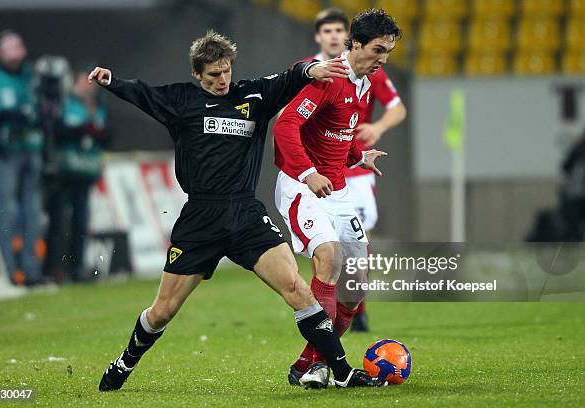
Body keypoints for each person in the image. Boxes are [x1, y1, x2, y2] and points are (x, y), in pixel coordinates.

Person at [89, 30, 387, 391]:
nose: (222, 80)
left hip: (246, 214)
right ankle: (125, 362)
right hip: (201, 218)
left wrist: (311, 71)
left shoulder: (252, 96)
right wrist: (111, 82)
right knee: (164, 310)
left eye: (226, 71)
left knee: (297, 288)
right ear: (197, 75)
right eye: (213, 75)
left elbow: (289, 77)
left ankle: (340, 371)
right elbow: (143, 94)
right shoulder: (181, 100)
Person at [273, 9, 400, 386]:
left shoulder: (362, 83)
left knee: (356, 285)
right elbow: (286, 124)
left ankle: (309, 364)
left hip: (337, 188)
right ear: (356, 43)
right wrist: (308, 173)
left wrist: (358, 156)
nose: (383, 59)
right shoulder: (329, 76)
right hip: (300, 185)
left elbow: (335, 135)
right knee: (328, 257)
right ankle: (328, 368)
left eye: (389, 52)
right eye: (378, 50)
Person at [293, 7, 407, 333]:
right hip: (315, 174)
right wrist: (302, 169)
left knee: (358, 250)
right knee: (328, 254)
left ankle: (356, 311)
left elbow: (397, 109)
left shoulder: (371, 73)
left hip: (354, 169)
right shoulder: (313, 72)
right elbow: (289, 121)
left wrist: (378, 129)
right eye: (327, 31)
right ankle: (321, 344)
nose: (333, 36)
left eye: (337, 30)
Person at [0, 30, 44, 285]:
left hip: (31, 149)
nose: (15, 61)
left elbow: (41, 110)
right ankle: (8, 270)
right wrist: (5, 119)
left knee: (33, 212)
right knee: (8, 211)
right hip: (3, 154)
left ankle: (31, 270)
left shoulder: (29, 75)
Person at [44, 66, 109, 282]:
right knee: (59, 219)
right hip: (64, 171)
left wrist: (97, 132)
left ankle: (76, 267)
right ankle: (54, 267)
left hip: (86, 170)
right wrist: (81, 129)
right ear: (75, 81)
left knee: (80, 221)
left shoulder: (98, 106)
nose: (88, 85)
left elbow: (107, 136)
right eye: (85, 80)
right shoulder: (64, 103)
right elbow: (55, 131)